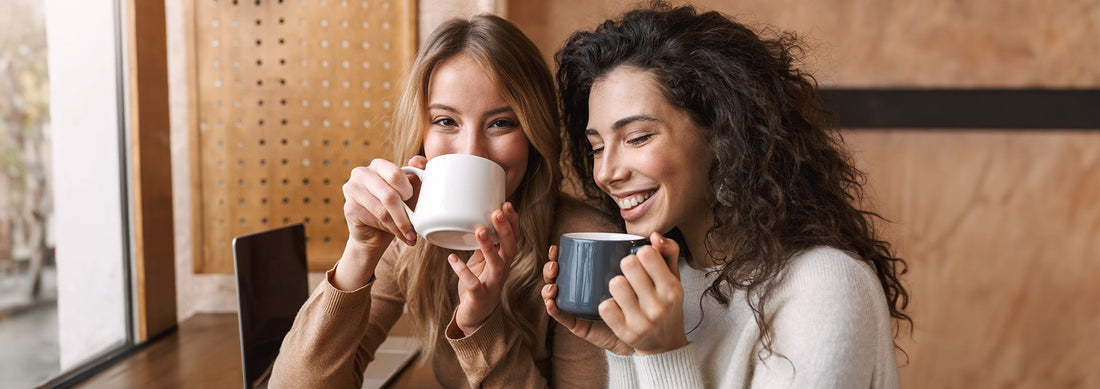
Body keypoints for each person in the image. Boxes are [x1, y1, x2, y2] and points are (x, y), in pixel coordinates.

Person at [542, 2, 912, 388]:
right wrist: (627, 351)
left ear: (722, 135)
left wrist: (662, 354)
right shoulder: (666, 286)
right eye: (598, 147)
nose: (606, 173)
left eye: (637, 138)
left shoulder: (822, 285)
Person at [270, 14, 614, 388]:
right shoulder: (412, 229)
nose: (471, 151)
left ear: (534, 132)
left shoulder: (585, 243)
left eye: (501, 123)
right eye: (446, 121)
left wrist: (481, 326)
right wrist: (359, 251)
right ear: (422, 132)